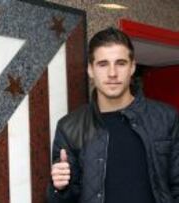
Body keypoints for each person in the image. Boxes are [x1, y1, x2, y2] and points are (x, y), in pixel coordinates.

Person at [47, 27, 179, 203]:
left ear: (132, 67)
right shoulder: (70, 126)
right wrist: (59, 188)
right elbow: (64, 200)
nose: (112, 73)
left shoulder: (166, 118)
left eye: (121, 63)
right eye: (103, 64)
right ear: (90, 70)